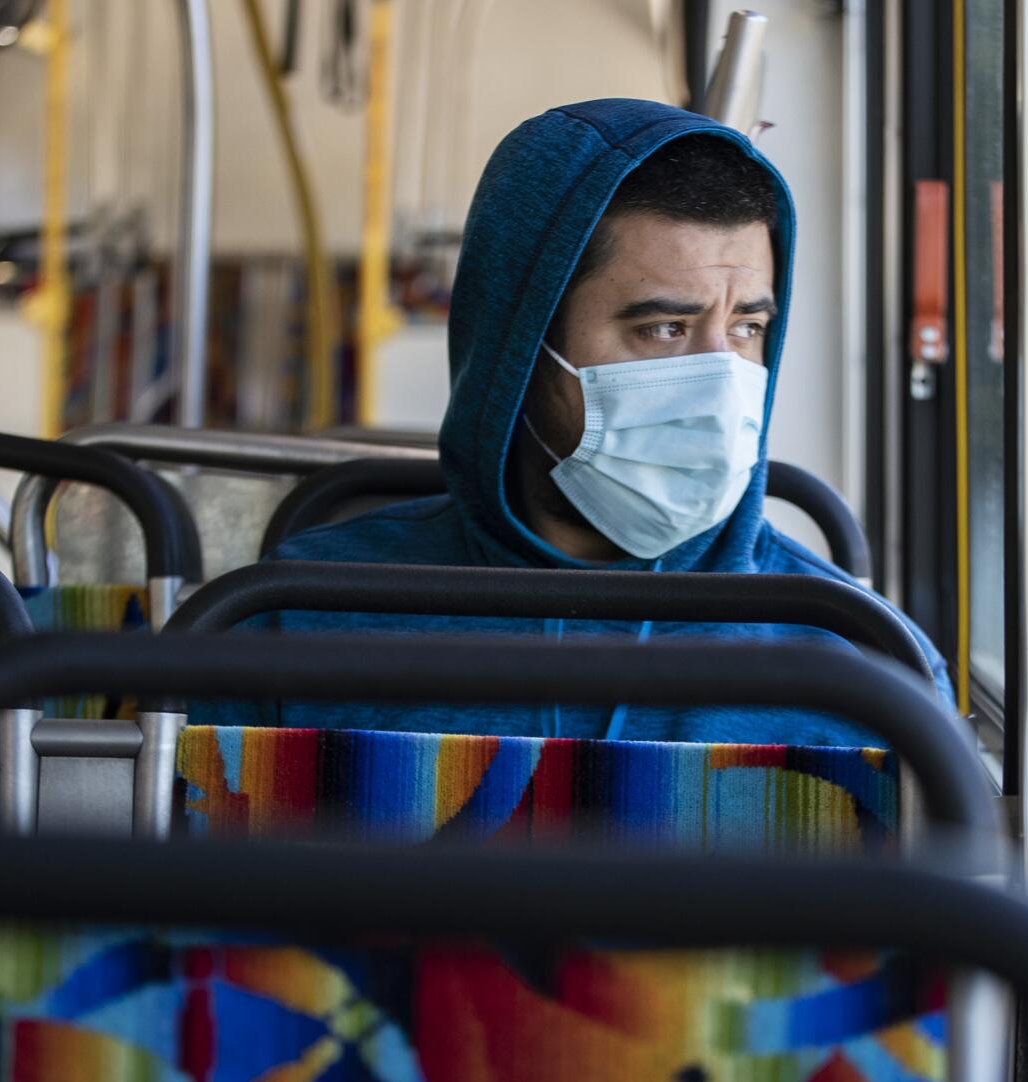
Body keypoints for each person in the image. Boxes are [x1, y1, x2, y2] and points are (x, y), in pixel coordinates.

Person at [220, 99, 950, 744]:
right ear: (520, 346)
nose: (719, 378)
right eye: (664, 328)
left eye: (747, 328)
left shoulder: (862, 668)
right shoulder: (298, 622)